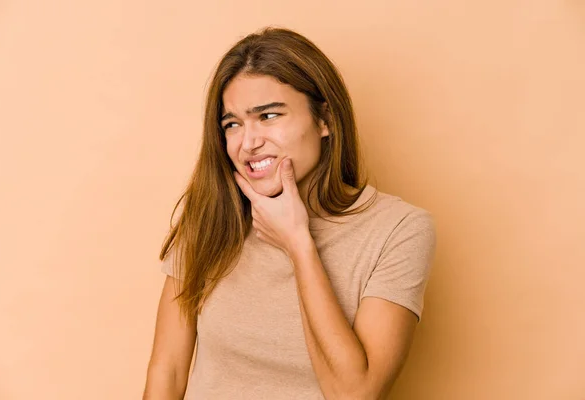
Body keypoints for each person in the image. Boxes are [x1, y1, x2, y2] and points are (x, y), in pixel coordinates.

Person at [143, 26, 436, 400]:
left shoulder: (399, 230)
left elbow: (355, 393)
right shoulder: (211, 217)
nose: (248, 142)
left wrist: (298, 244)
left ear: (324, 119)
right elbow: (167, 371)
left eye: (267, 116)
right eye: (232, 124)